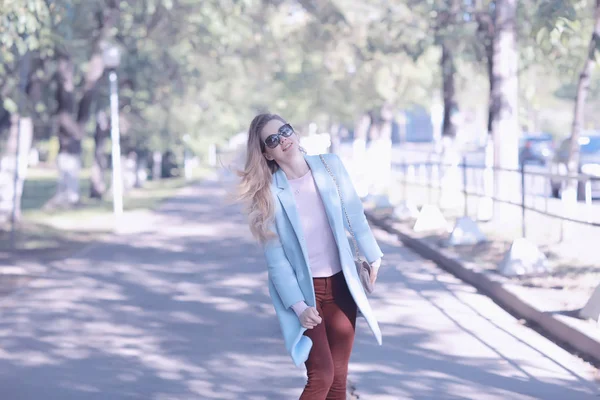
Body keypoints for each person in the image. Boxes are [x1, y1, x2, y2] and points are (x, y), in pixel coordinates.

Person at [237, 113, 383, 399]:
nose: (283, 140)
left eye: (285, 130)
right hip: (307, 296)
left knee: (339, 380)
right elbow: (276, 262)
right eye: (273, 139)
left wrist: (373, 256)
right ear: (266, 153)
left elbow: (354, 215)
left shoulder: (330, 166)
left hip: (342, 286)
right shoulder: (268, 195)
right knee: (322, 376)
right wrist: (299, 307)